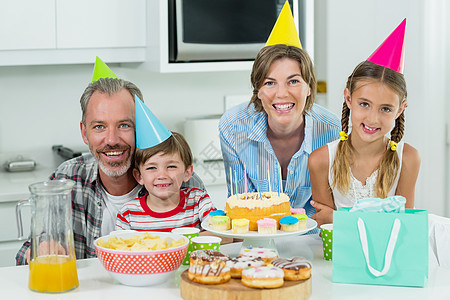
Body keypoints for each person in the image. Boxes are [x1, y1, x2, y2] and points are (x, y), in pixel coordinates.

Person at [15, 77, 205, 265]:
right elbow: (24, 255)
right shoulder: (67, 178)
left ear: (140, 129)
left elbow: (213, 247)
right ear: (84, 133)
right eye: (99, 126)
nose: (112, 139)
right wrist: (39, 250)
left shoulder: (178, 181)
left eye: (124, 125)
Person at [308, 19, 420, 227]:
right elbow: (328, 232)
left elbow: (404, 229)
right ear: (348, 99)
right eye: (364, 104)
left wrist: (340, 219)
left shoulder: (407, 159)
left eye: (385, 109)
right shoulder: (321, 161)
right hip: (338, 259)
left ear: (401, 109)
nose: (372, 119)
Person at [219, 44, 340, 219]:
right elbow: (242, 207)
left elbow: (330, 210)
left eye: (293, 81)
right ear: (258, 92)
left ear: (309, 88)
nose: (281, 93)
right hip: (257, 238)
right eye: (269, 83)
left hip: (313, 238)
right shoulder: (233, 127)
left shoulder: (332, 129)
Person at [115, 132, 215, 231]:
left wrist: (177, 242)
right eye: (152, 168)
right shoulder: (128, 214)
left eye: (171, 166)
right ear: (139, 176)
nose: (162, 176)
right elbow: (118, 245)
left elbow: (223, 234)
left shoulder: (198, 201)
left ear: (187, 173)